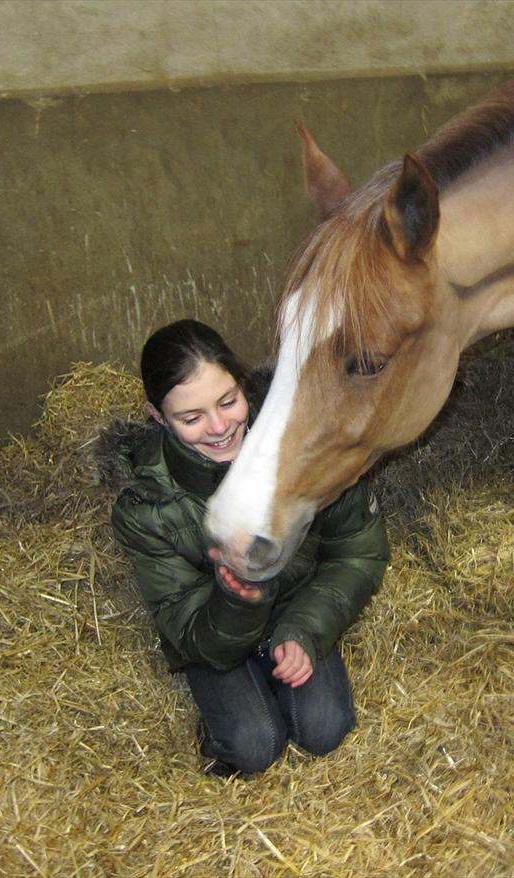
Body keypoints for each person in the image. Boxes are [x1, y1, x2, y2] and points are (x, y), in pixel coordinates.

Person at [107, 319, 389, 776]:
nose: (219, 427)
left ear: (244, 385)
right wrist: (238, 598)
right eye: (191, 418)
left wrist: (304, 629)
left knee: (325, 729)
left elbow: (358, 550)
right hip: (214, 627)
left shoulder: (304, 443)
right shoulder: (147, 507)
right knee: (253, 748)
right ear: (157, 416)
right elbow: (185, 620)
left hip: (296, 605)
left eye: (228, 401)